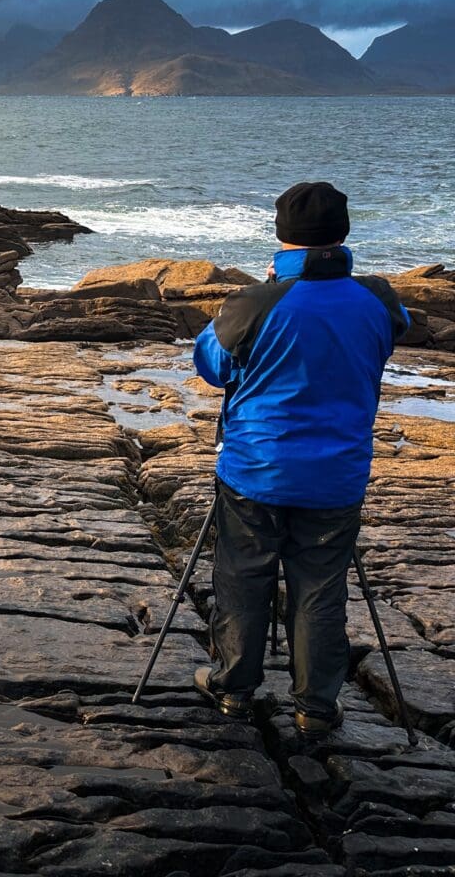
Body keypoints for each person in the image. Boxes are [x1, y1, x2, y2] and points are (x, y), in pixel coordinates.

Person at [191, 182, 409, 736]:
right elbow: (393, 330)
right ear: (344, 233)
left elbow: (212, 365)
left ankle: (234, 690)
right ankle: (315, 706)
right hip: (336, 473)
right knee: (320, 589)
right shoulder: (378, 300)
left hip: (255, 468)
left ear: (281, 235)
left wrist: (267, 294)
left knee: (242, 579)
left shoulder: (256, 301)